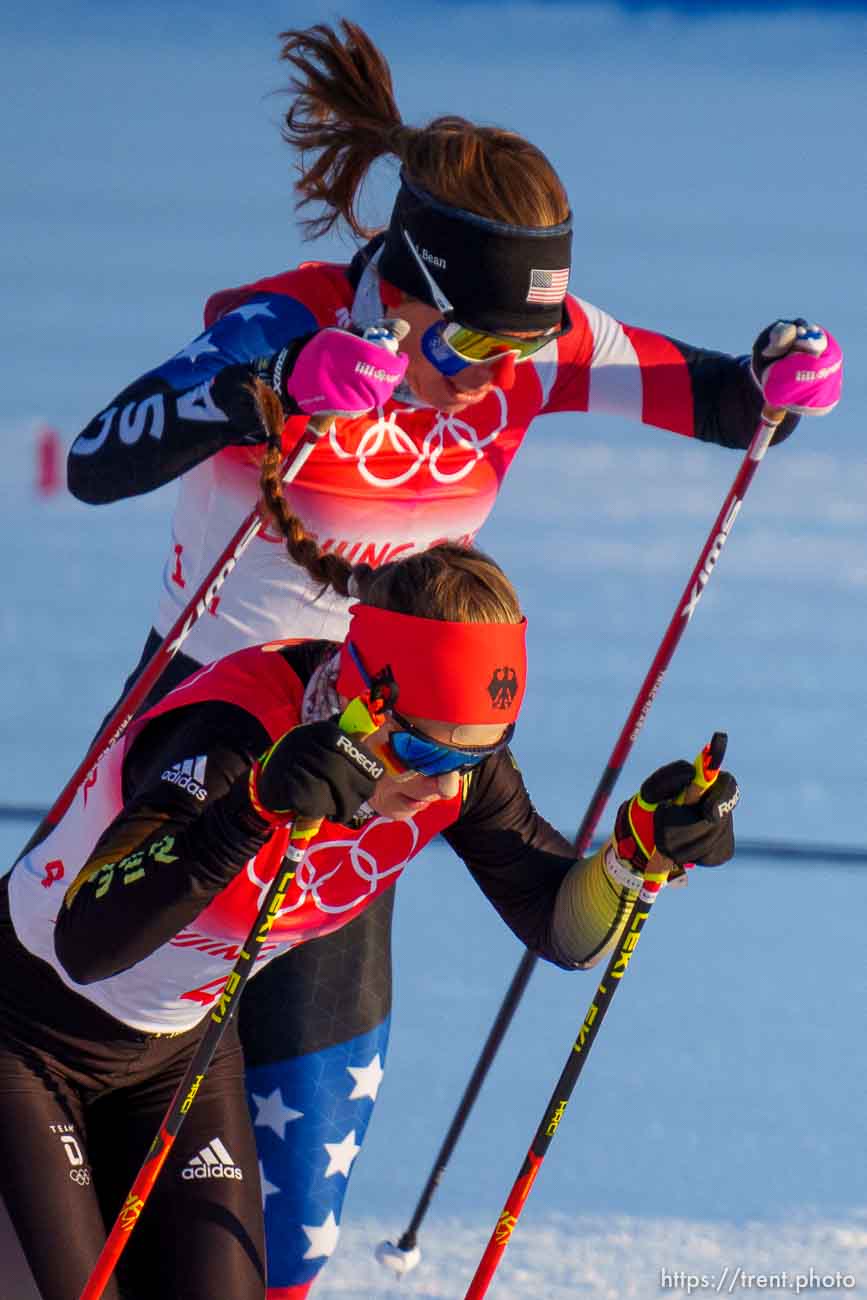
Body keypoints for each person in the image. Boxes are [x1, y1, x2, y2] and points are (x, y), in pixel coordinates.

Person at [59, 19, 841, 1297]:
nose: (498, 384)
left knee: (282, 1246)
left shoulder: (522, 342)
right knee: (89, 1223)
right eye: (472, 349)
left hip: (384, 759)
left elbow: (720, 401)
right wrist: (269, 384)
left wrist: (778, 381)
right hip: (199, 758)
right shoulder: (287, 325)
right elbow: (97, 458)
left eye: (524, 352)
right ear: (401, 283)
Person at [0, 477, 741, 1299]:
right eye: (425, 754)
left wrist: (632, 857)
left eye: (473, 757)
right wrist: (251, 811)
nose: (440, 787)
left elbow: (559, 926)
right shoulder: (232, 728)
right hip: (24, 1038)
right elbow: (90, 940)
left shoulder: (454, 764)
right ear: (362, 697)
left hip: (174, 1057)